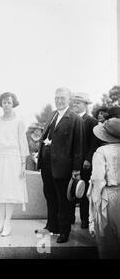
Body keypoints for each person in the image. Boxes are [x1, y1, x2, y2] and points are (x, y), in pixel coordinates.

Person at [37, 87, 84, 243]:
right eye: (56, 97)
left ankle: (64, 231)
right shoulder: (52, 115)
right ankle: (52, 226)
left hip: (63, 167)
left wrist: (76, 169)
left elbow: (78, 147)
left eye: (62, 98)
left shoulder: (76, 119)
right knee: (49, 196)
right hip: (46, 164)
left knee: (63, 200)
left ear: (69, 100)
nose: (58, 100)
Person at [0, 92, 29, 236]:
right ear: (1, 104)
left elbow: (22, 143)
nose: (6, 105)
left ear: (13, 104)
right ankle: (0, 222)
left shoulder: (19, 121)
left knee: (10, 192)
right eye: (4, 102)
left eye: (9, 102)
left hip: (13, 159)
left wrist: (23, 165)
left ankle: (7, 223)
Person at [87, 118, 120, 258]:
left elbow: (98, 180)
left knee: (108, 242)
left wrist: (92, 215)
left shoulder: (101, 151)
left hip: (109, 197)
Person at [69, 92, 102, 228]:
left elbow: (94, 143)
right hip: (70, 162)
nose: (75, 104)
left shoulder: (92, 121)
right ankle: (70, 218)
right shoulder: (69, 119)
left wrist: (88, 159)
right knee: (70, 190)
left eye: (79, 102)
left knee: (83, 191)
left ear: (86, 105)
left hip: (85, 163)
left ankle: (84, 219)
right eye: (74, 102)